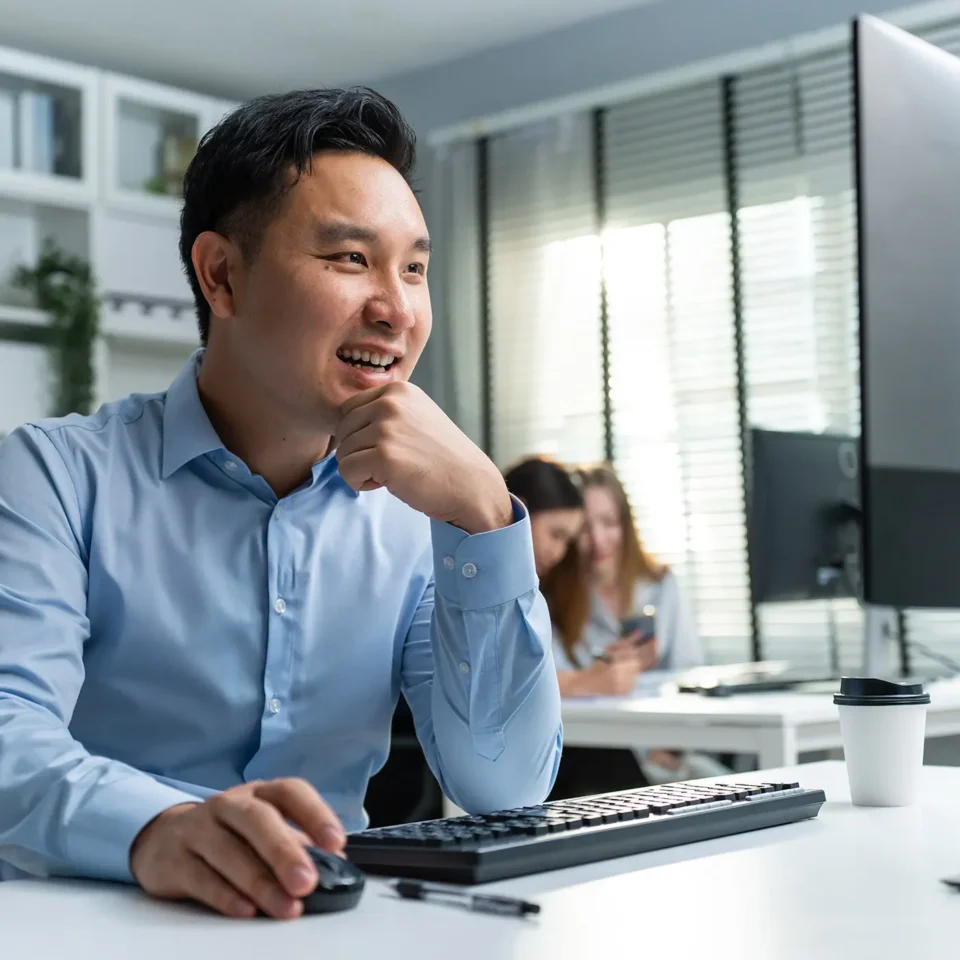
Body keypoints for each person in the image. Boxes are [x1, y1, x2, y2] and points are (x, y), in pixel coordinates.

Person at [0, 88, 562, 919]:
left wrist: (483, 516)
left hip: (327, 927)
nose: (397, 308)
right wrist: (160, 827)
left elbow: (503, 786)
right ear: (221, 276)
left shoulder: (420, 516)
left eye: (414, 267)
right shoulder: (52, 475)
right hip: (94, 921)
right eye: (349, 259)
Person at [503, 456, 650, 798]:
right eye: (557, 535)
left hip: (526, 753)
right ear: (519, 511)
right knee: (605, 764)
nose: (560, 552)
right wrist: (590, 681)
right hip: (511, 759)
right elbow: (505, 680)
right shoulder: (479, 582)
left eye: (568, 541)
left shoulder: (529, 589)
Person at [574, 464, 729, 784]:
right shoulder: (564, 601)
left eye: (609, 523)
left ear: (626, 526)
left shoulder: (661, 584)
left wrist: (671, 747)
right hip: (599, 754)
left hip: (671, 748)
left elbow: (690, 673)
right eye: (586, 527)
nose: (598, 539)